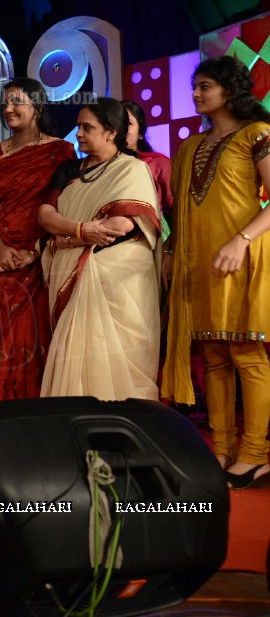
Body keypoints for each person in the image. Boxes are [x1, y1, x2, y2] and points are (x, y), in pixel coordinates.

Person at [162, 56, 270, 489]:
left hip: (241, 257)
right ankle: (222, 450)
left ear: (230, 89)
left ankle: (256, 454)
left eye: (205, 86)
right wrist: (172, 249)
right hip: (200, 263)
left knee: (246, 355)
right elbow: (183, 211)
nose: (195, 94)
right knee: (213, 359)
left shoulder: (256, 134)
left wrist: (241, 240)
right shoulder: (190, 146)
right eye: (195, 87)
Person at [37, 97, 160, 401]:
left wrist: (69, 239)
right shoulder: (69, 170)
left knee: (116, 353)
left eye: (86, 127)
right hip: (72, 271)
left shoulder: (132, 170)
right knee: (76, 351)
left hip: (118, 278)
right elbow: (45, 215)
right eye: (78, 126)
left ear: (110, 132)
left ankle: (122, 429)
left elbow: (122, 226)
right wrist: (83, 230)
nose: (77, 133)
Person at [0, 78, 77, 400]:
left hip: (42, 260)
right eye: (5, 103)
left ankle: (37, 419)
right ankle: (0, 416)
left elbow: (65, 204)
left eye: (17, 101)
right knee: (1, 342)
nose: (8, 109)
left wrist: (35, 251)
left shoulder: (61, 151)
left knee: (39, 338)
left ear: (38, 106)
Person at [122, 100, 173, 234]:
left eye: (128, 123)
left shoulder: (158, 163)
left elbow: (173, 208)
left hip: (152, 239)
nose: (121, 128)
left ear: (140, 133)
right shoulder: (99, 167)